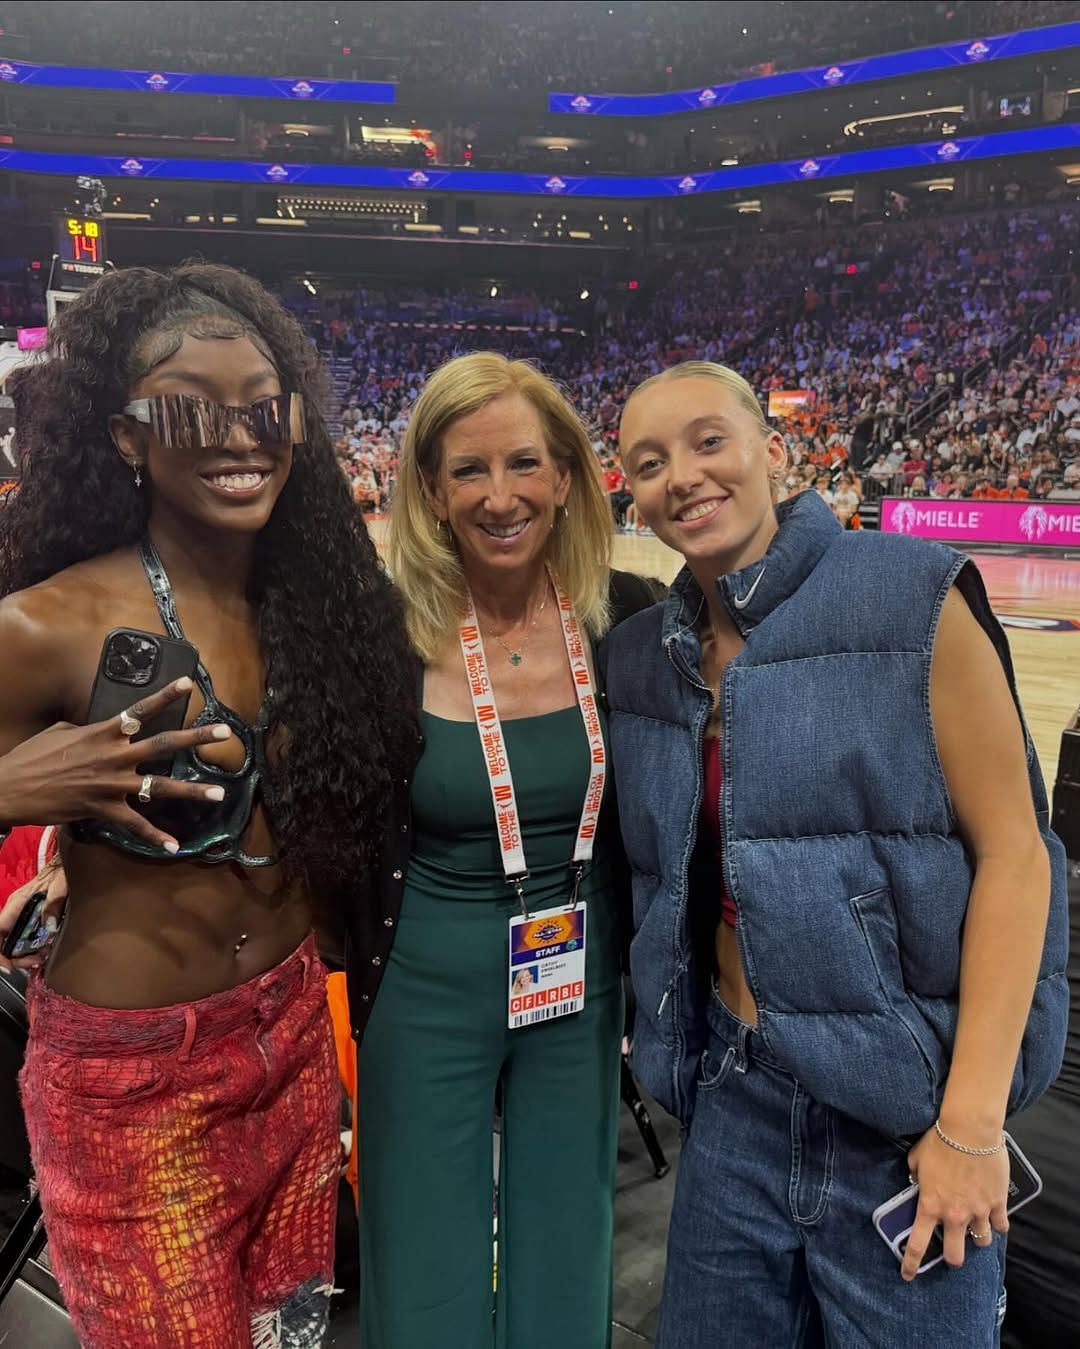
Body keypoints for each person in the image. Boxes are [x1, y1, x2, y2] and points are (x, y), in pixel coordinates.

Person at [601, 361, 1068, 1348]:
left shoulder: (911, 594)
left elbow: (1018, 858)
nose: (680, 474)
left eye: (707, 440)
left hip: (906, 1118)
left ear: (775, 452)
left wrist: (971, 1122)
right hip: (733, 1096)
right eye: (649, 460)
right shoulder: (644, 657)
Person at [0, 262, 417, 1348]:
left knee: (290, 1334)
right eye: (194, 407)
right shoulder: (47, 622)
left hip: (287, 1039)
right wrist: (11, 788)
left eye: (263, 407)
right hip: (131, 1079)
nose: (241, 436)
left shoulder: (321, 599)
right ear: (128, 435)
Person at [356, 352, 653, 1349]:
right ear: (431, 492)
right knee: (421, 1241)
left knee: (569, 1229)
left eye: (523, 463)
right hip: (426, 973)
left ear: (567, 475)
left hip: (577, 964)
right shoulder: (380, 632)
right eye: (468, 471)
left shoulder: (634, 615)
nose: (500, 495)